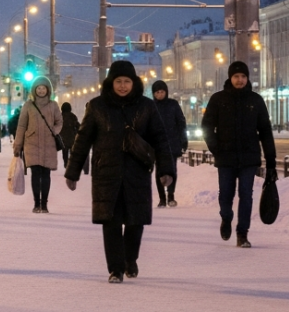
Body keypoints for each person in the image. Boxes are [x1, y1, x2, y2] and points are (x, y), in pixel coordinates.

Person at [64, 60, 173, 283]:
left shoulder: (146, 107)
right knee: (110, 221)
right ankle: (115, 269)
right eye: (118, 81)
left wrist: (166, 168)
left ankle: (130, 260)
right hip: (107, 172)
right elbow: (83, 139)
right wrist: (73, 171)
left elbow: (160, 139)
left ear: (134, 83)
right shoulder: (96, 106)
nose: (123, 86)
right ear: (110, 83)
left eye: (127, 81)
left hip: (137, 172)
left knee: (136, 221)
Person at [201, 61, 276, 249]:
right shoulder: (218, 99)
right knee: (226, 195)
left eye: (243, 76)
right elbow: (207, 126)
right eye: (236, 76)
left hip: (249, 158)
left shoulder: (256, 100)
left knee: (246, 195)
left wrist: (271, 161)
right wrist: (215, 148)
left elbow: (265, 131)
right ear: (230, 78)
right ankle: (226, 218)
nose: (240, 80)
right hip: (225, 157)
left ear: (247, 78)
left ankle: (242, 233)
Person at [14, 77, 63, 213]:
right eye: (38, 88)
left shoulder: (53, 105)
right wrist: (18, 144)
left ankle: (44, 204)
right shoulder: (28, 105)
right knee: (35, 173)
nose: (41, 91)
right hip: (32, 143)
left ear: (48, 90)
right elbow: (22, 125)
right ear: (34, 90)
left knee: (46, 174)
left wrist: (54, 131)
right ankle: (36, 204)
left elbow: (59, 122)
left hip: (49, 144)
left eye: (43, 88)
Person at [150, 80, 186, 208]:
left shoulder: (173, 105)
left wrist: (183, 140)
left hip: (172, 144)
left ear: (166, 92)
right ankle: (161, 198)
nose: (160, 94)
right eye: (157, 92)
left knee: (171, 171)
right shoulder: (150, 106)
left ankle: (171, 195)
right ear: (154, 94)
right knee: (159, 171)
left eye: (162, 92)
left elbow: (181, 123)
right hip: (157, 145)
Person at [60, 102, 81, 171]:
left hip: (63, 138)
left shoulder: (60, 116)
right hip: (72, 137)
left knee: (65, 152)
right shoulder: (73, 116)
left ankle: (66, 163)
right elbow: (77, 125)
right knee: (72, 152)